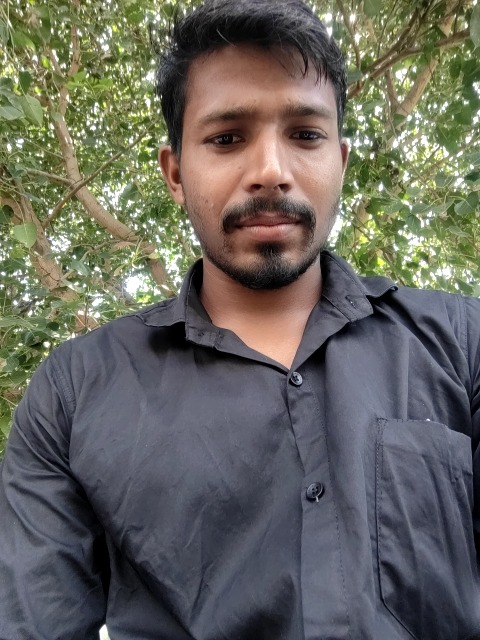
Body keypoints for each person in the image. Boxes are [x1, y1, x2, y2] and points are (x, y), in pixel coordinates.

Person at [0, 0, 479, 638]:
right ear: (175, 173)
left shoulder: (464, 344)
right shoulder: (71, 395)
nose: (270, 172)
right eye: (227, 138)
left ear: (340, 161)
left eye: (305, 135)